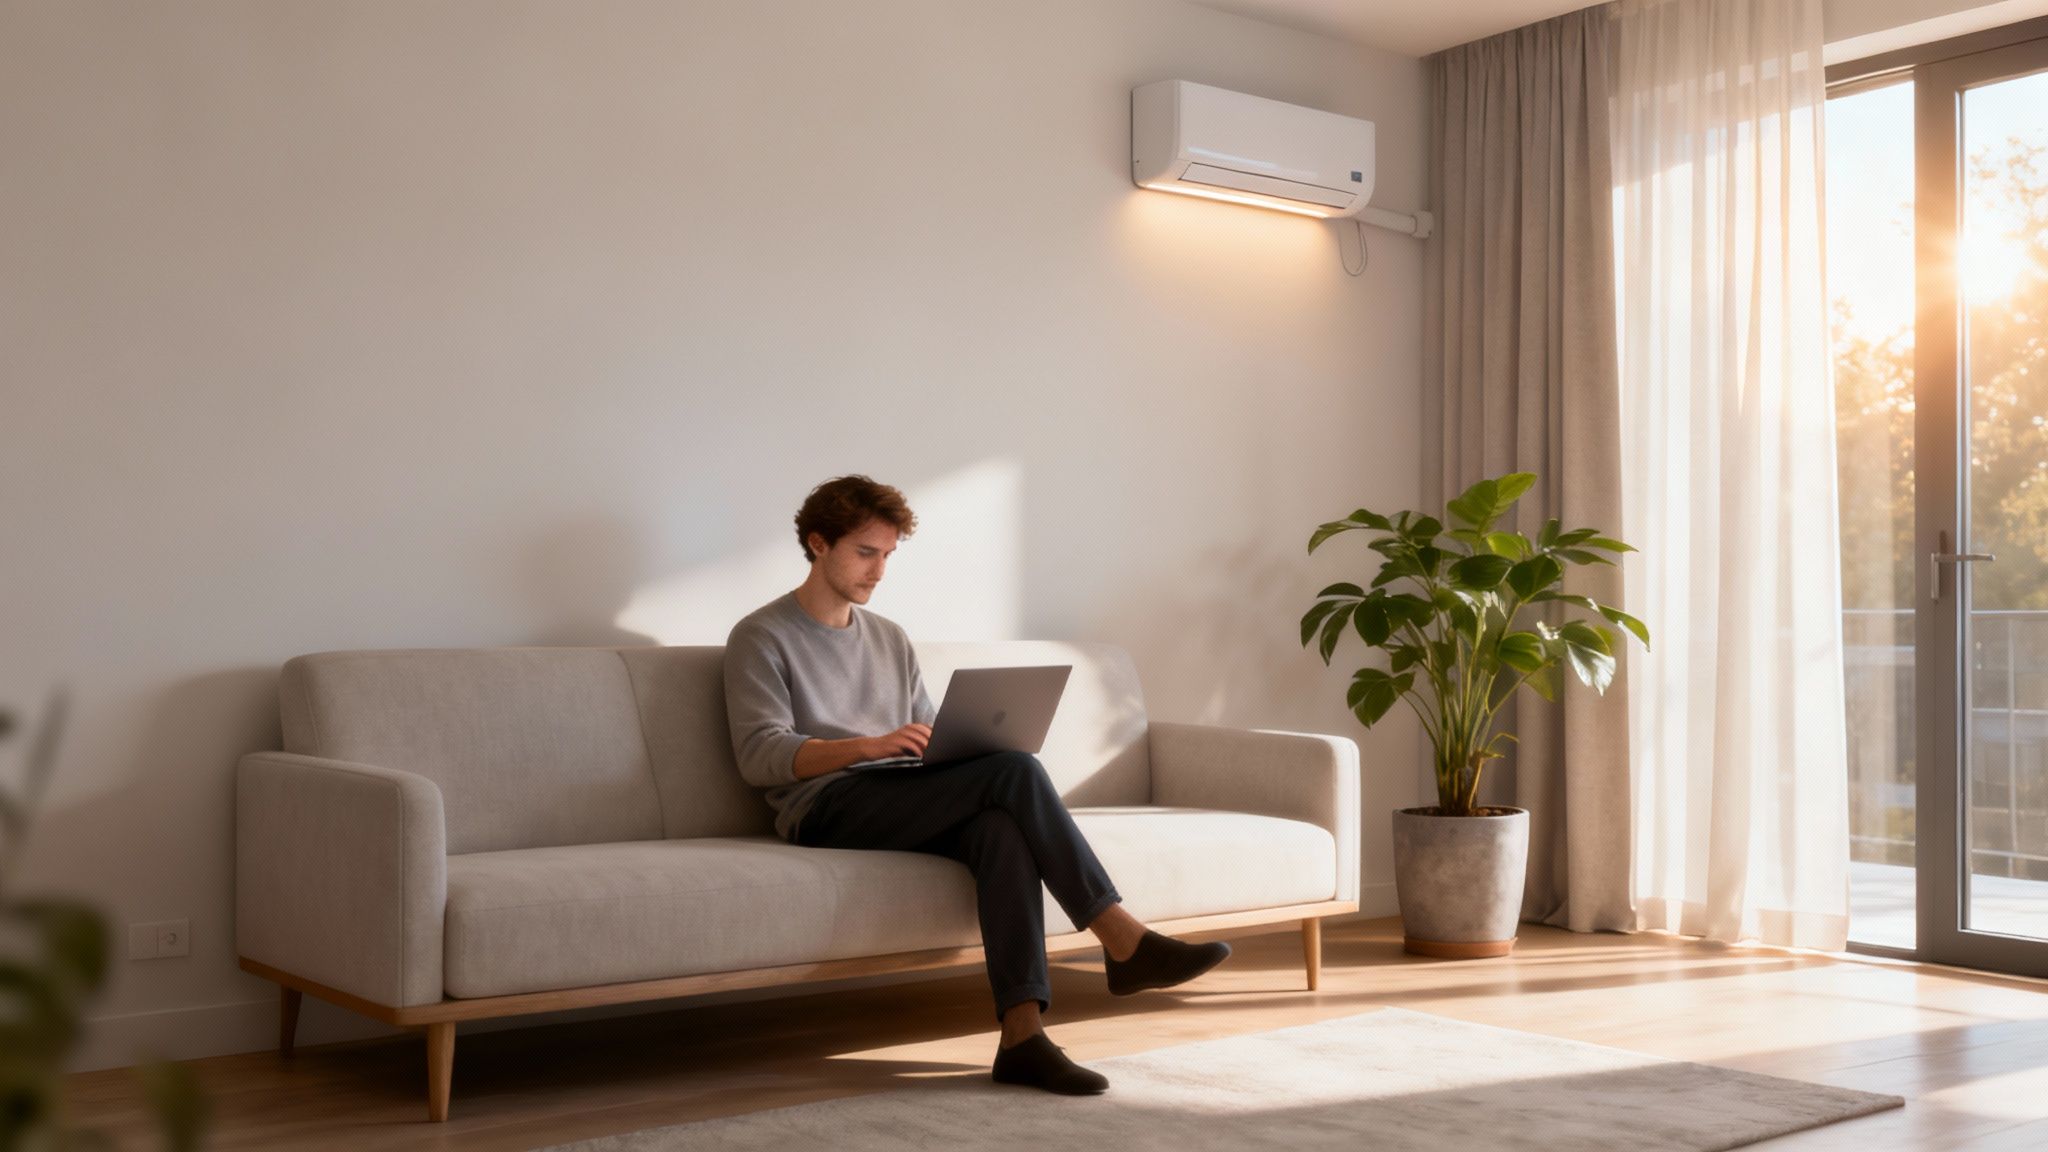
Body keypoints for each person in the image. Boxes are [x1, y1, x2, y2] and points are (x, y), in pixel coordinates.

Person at [722, 475, 1232, 1096]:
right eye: (864, 552)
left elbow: (930, 733)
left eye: (888, 555)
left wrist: (946, 747)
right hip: (825, 805)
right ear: (818, 543)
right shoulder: (760, 636)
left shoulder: (888, 637)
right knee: (1015, 772)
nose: (879, 570)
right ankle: (1123, 939)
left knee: (1000, 830)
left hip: (903, 792)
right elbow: (759, 755)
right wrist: (868, 745)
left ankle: (1023, 1037)